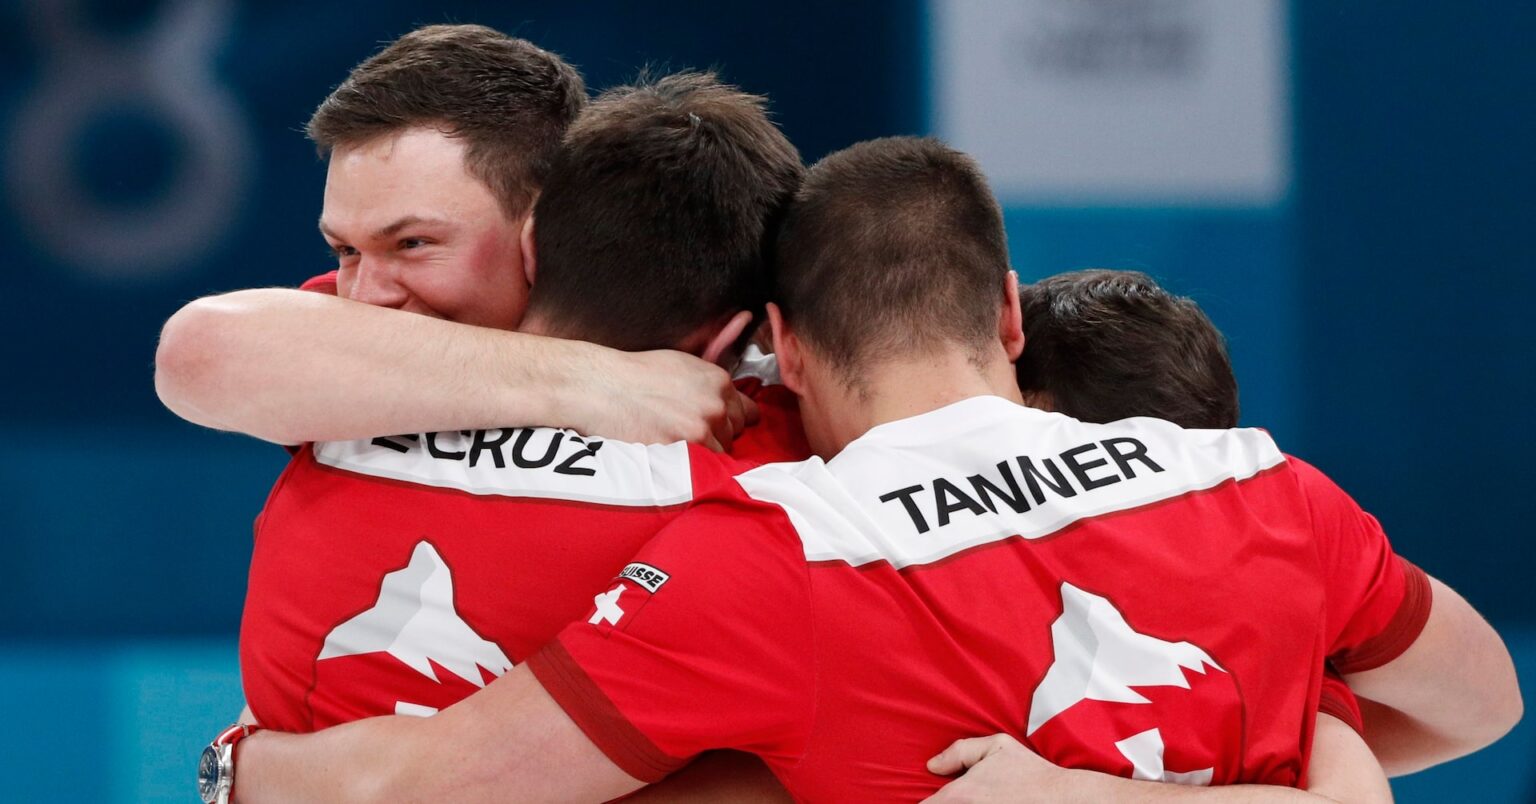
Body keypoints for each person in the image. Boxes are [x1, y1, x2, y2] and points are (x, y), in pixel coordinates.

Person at [228, 138, 1520, 801]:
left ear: (780, 348)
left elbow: (435, 789)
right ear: (1008, 312)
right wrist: (1284, 752)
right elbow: (1482, 706)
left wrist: (238, 772)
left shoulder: (769, 554)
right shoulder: (1264, 487)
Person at [155, 25, 755, 457]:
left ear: (543, 230)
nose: (365, 296)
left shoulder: (709, 371)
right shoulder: (339, 343)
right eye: (346, 251)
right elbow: (196, 355)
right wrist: (592, 382)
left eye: (413, 243)